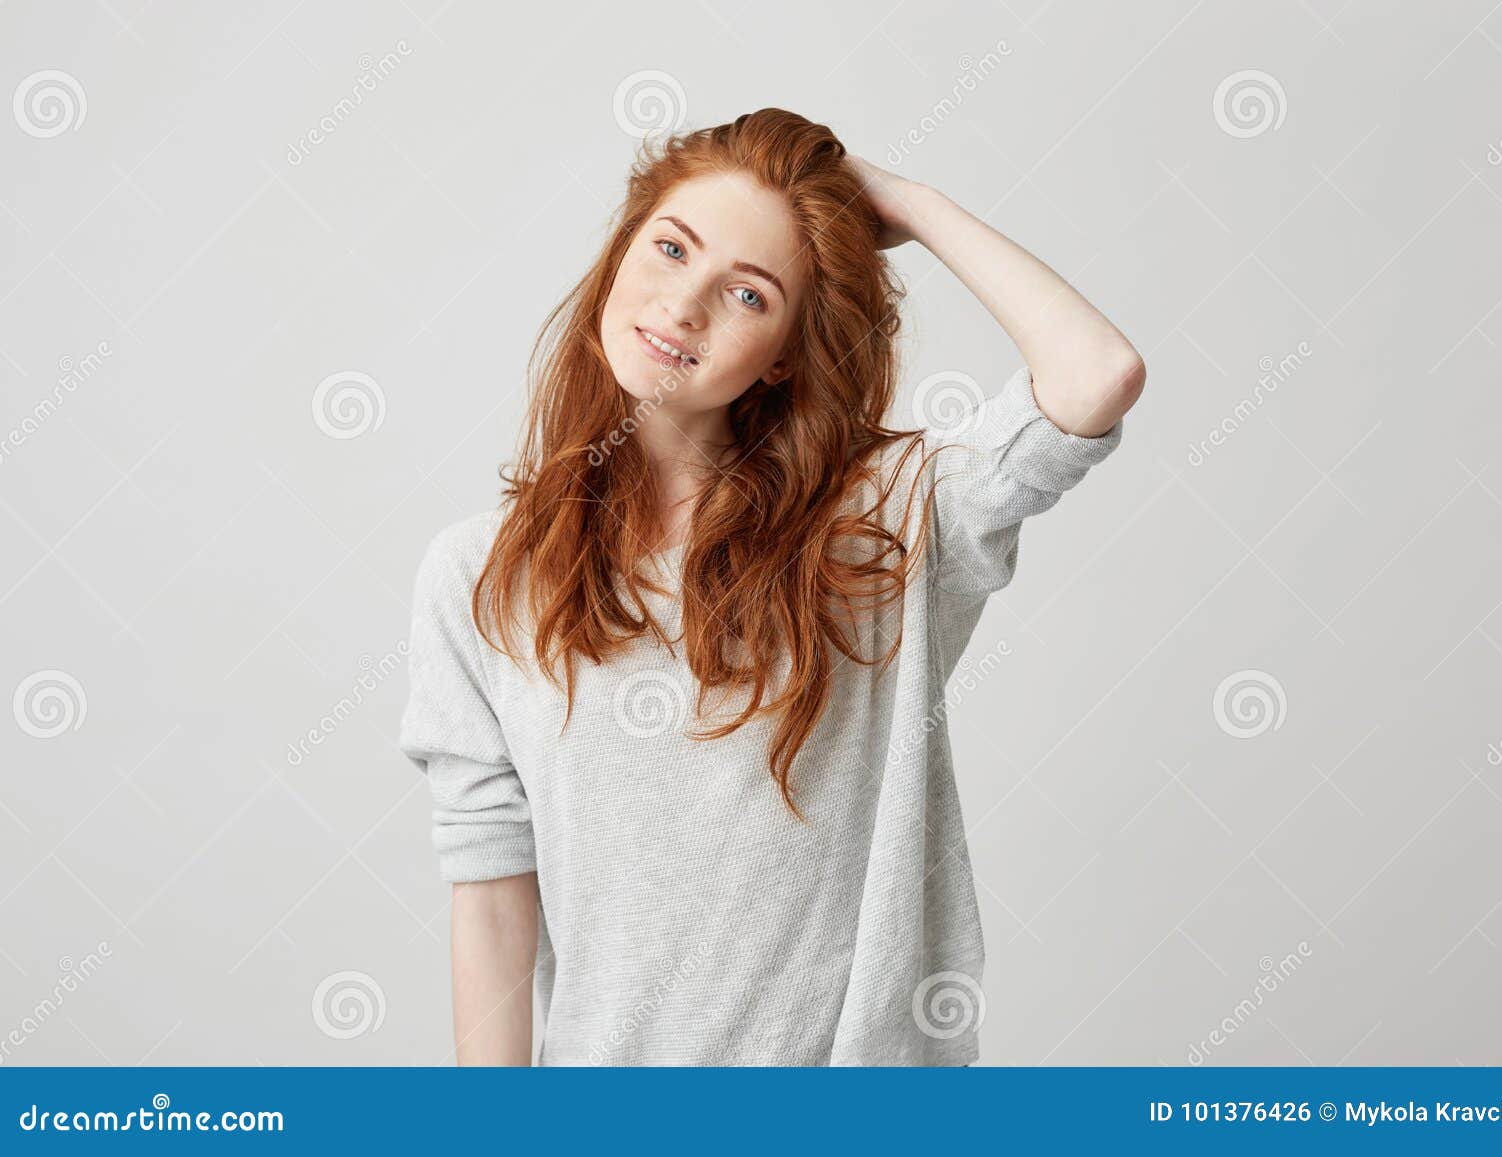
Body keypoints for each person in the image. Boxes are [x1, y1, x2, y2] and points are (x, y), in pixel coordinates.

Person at [398, 107, 1144, 1066]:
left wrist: (906, 206)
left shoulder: (887, 525)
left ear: (787, 351)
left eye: (748, 295)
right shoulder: (478, 575)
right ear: (622, 249)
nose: (683, 305)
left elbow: (1096, 375)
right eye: (670, 248)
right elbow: (493, 899)